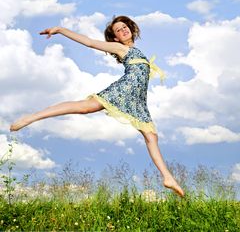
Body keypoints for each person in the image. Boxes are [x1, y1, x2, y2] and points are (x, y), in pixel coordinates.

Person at [10, 15, 184, 197]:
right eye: (119, 30)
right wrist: (60, 30)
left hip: (137, 99)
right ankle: (32, 117)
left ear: (131, 29)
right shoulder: (120, 48)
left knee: (152, 136)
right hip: (123, 90)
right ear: (116, 38)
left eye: (125, 27)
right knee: (85, 107)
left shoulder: (137, 51)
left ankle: (167, 177)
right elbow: (90, 42)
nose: (123, 30)